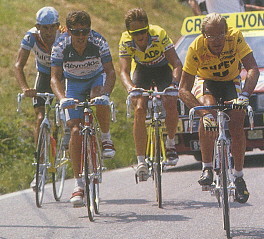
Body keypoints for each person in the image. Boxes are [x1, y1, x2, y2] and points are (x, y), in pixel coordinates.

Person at [179, 13, 259, 203]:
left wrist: (245, 96)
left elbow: (253, 69)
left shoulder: (235, 37)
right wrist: (204, 114)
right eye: (211, 36)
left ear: (226, 32)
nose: (217, 40)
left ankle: (239, 177)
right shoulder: (196, 47)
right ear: (204, 36)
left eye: (220, 35)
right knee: (207, 110)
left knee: (238, 119)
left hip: (231, 80)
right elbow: (183, 89)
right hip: (206, 81)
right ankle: (207, 166)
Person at [51, 10, 116, 207]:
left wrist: (106, 92)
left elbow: (110, 71)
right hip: (74, 83)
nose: (80, 36)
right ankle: (78, 184)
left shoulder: (98, 41)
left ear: (89, 30)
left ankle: (105, 138)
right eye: (76, 32)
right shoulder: (60, 45)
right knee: (75, 130)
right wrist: (62, 98)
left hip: (95, 79)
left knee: (99, 99)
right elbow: (54, 78)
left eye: (84, 31)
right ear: (68, 31)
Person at [119, 8, 182, 181]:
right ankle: (140, 161)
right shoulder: (125, 40)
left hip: (162, 69)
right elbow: (123, 71)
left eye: (142, 31)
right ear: (129, 32)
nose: (139, 36)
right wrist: (131, 88)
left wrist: (174, 85)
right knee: (139, 108)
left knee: (170, 101)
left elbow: (176, 63)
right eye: (135, 33)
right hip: (142, 71)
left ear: (147, 28)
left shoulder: (158, 34)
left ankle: (170, 143)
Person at [14, 6, 64, 189]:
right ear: (38, 27)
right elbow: (19, 65)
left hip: (63, 75)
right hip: (43, 76)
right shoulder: (30, 37)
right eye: (45, 28)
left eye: (52, 27)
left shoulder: (64, 35)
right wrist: (25, 88)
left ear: (58, 26)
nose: (49, 32)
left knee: (64, 112)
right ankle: (40, 165)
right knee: (40, 117)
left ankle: (63, 136)